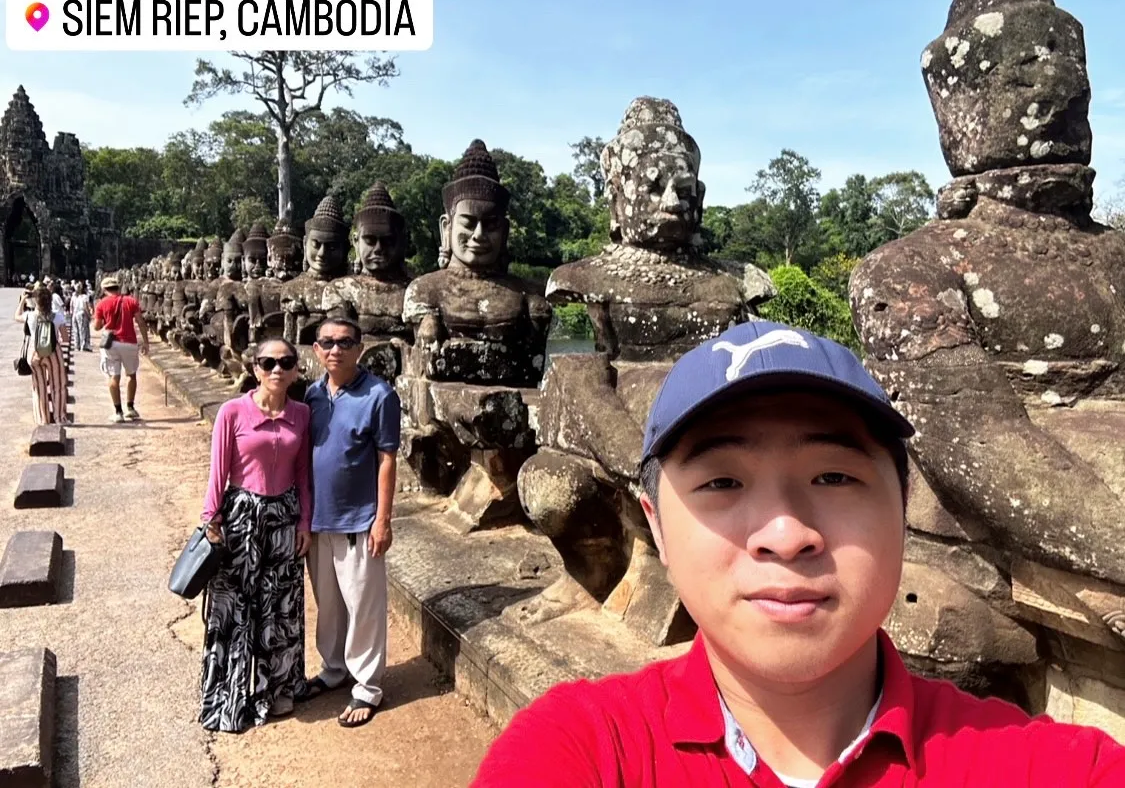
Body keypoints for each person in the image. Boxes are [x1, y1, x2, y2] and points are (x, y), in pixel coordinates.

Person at [472, 320, 1125, 786]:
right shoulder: (582, 751)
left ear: (901, 508)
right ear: (656, 528)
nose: (785, 533)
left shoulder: (1051, 767)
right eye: (722, 481)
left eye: (833, 477)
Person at [198, 337, 313, 733]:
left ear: (297, 369)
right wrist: (211, 520)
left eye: (286, 362)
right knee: (236, 609)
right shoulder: (233, 412)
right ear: (255, 369)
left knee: (280, 608)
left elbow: (303, 474)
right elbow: (218, 471)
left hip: (284, 518)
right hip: (242, 518)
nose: (277, 370)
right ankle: (229, 696)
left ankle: (278, 689)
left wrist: (305, 523)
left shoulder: (302, 414)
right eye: (268, 363)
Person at [298, 317, 400, 728]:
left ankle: (367, 685)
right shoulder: (313, 394)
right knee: (329, 606)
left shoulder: (379, 394)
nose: (335, 349)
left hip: (359, 518)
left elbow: (387, 458)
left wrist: (383, 519)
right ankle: (334, 668)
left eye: (345, 342)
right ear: (316, 350)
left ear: (360, 348)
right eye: (327, 342)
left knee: (364, 605)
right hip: (320, 518)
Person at [93, 276, 149, 423]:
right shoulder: (131, 301)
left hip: (111, 344)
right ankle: (130, 408)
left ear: (105, 290)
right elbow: (140, 321)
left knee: (113, 377)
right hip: (129, 342)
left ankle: (118, 412)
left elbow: (96, 327)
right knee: (131, 375)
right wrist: (145, 341)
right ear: (118, 288)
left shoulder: (102, 304)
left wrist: (106, 319)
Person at [14, 286, 68, 425]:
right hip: (53, 352)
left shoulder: (30, 316)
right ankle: (59, 417)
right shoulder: (58, 316)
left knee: (39, 387)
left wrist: (23, 300)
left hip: (34, 353)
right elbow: (65, 338)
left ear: (36, 302)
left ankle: (42, 419)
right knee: (58, 386)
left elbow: (16, 316)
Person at [69, 282, 92, 352]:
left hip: (74, 314)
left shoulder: (73, 297)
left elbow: (71, 307)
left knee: (76, 330)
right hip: (82, 314)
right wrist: (89, 315)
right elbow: (86, 307)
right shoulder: (85, 297)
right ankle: (83, 346)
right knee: (83, 330)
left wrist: (72, 314)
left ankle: (77, 346)